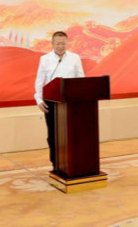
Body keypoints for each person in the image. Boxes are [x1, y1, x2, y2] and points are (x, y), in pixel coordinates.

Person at [34, 31, 84, 170]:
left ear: (67, 43)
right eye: (57, 43)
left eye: (63, 43)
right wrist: (39, 100)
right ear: (52, 43)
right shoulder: (45, 59)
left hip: (71, 101)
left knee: (72, 133)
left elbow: (81, 78)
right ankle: (56, 163)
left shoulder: (75, 58)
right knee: (53, 134)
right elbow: (39, 81)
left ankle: (73, 161)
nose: (60, 46)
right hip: (51, 101)